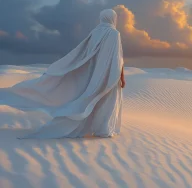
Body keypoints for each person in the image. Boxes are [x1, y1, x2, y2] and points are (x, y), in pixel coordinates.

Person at [1, 9, 125, 139]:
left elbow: (85, 54)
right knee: (106, 100)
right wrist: (121, 76)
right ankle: (103, 130)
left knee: (94, 100)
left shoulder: (95, 33)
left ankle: (99, 128)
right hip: (110, 74)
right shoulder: (114, 34)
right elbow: (118, 58)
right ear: (113, 18)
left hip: (93, 75)